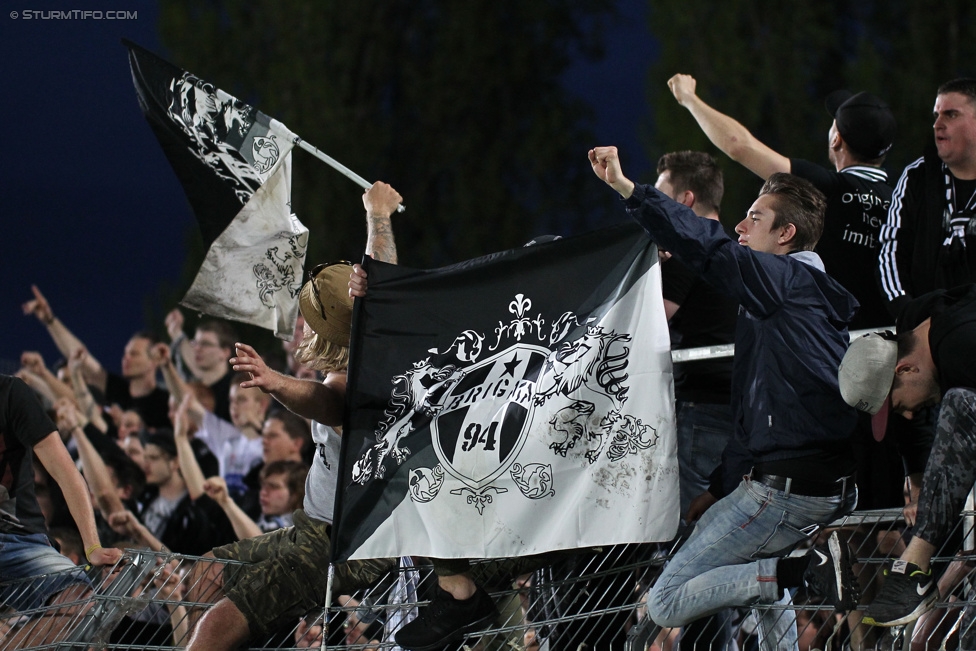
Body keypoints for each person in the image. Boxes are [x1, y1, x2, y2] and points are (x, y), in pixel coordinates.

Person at [589, 146, 860, 651]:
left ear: (786, 236)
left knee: (667, 600)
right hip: (801, 480)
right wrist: (718, 487)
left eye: (755, 217)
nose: (740, 226)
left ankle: (807, 568)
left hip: (788, 490)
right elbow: (752, 412)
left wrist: (630, 190)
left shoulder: (782, 282)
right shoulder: (790, 292)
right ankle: (795, 572)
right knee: (761, 581)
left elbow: (709, 245)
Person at [184, 181, 403, 651]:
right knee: (208, 570)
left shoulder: (366, 376)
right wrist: (377, 215)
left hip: (342, 545)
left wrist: (275, 381)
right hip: (311, 527)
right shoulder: (371, 355)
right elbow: (381, 293)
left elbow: (330, 403)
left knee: (222, 623)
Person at [667, 73, 895, 330]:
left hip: (837, 346)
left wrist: (688, 99)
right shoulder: (902, 199)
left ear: (836, 139)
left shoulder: (827, 187)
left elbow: (739, 146)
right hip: (899, 343)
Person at [837, 283, 976, 626]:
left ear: (904, 370)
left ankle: (913, 568)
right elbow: (912, 424)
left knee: (959, 405)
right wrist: (918, 481)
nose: (910, 414)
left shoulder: (963, 349)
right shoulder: (914, 327)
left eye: (899, 406)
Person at [0, 374, 123, 647]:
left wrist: (92, 547)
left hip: (18, 539)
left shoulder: (10, 393)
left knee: (81, 601)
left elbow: (66, 472)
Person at [878, 78, 976, 320]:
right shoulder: (917, 176)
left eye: (951, 115)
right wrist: (909, 315)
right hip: (925, 332)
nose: (937, 124)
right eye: (936, 115)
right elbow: (891, 250)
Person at [22, 285, 171, 429]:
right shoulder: (117, 389)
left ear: (154, 361)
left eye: (134, 354)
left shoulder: (166, 403)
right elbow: (80, 355)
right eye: (125, 353)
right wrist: (50, 320)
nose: (126, 358)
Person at [165, 312, 237, 421]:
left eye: (205, 344)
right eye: (195, 343)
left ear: (225, 352)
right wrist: (176, 333)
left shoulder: (235, 388)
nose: (197, 349)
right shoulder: (196, 387)